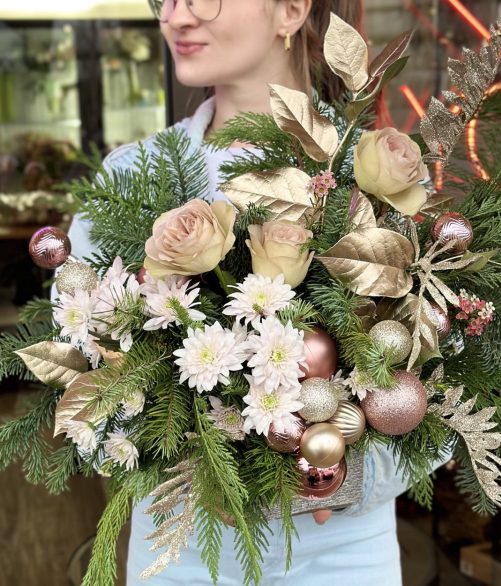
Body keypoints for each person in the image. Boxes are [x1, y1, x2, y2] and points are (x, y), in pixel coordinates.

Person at [64, 1, 448, 584]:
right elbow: (78, 376)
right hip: (183, 551)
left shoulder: (378, 172)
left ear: (290, 10)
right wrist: (192, 456)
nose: (175, 17)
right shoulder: (130, 175)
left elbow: (448, 381)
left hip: (344, 550)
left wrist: (340, 474)